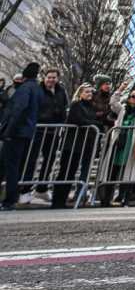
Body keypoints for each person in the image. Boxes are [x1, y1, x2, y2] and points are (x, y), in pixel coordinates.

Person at [52, 84, 103, 208]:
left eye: (91, 92)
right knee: (66, 171)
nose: (89, 94)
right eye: (86, 92)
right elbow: (79, 120)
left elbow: (94, 122)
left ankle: (63, 200)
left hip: (83, 144)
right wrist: (94, 123)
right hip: (71, 143)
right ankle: (57, 199)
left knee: (72, 171)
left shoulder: (91, 108)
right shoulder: (76, 105)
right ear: (80, 93)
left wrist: (94, 124)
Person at [0, 63, 41, 211]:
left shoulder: (25, 89)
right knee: (9, 165)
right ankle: (9, 199)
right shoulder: (37, 89)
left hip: (16, 131)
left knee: (10, 166)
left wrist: (8, 130)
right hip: (26, 131)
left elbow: (18, 109)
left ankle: (9, 200)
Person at [30, 68, 68, 200]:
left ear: (57, 79)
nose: (51, 80)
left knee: (50, 159)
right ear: (44, 77)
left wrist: (62, 123)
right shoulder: (38, 90)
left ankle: (42, 188)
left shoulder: (61, 91)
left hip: (53, 131)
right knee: (31, 159)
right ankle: (25, 189)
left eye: (54, 77)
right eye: (49, 77)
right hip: (38, 129)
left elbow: (64, 107)